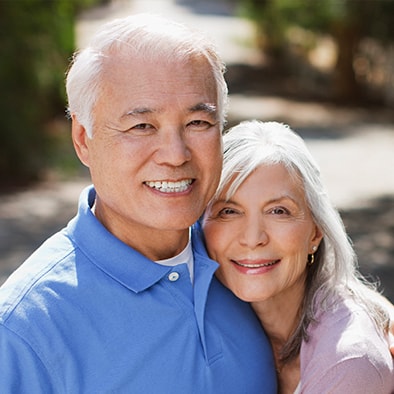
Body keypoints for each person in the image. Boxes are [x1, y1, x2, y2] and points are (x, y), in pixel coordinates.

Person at [0, 15, 277, 393]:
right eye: (141, 127)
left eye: (198, 122)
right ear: (83, 140)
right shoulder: (24, 332)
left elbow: (326, 304)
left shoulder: (246, 257)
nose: (176, 155)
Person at [202, 120, 394, 393]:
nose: (253, 237)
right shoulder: (203, 308)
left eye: (278, 211)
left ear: (316, 232)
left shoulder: (348, 362)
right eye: (229, 211)